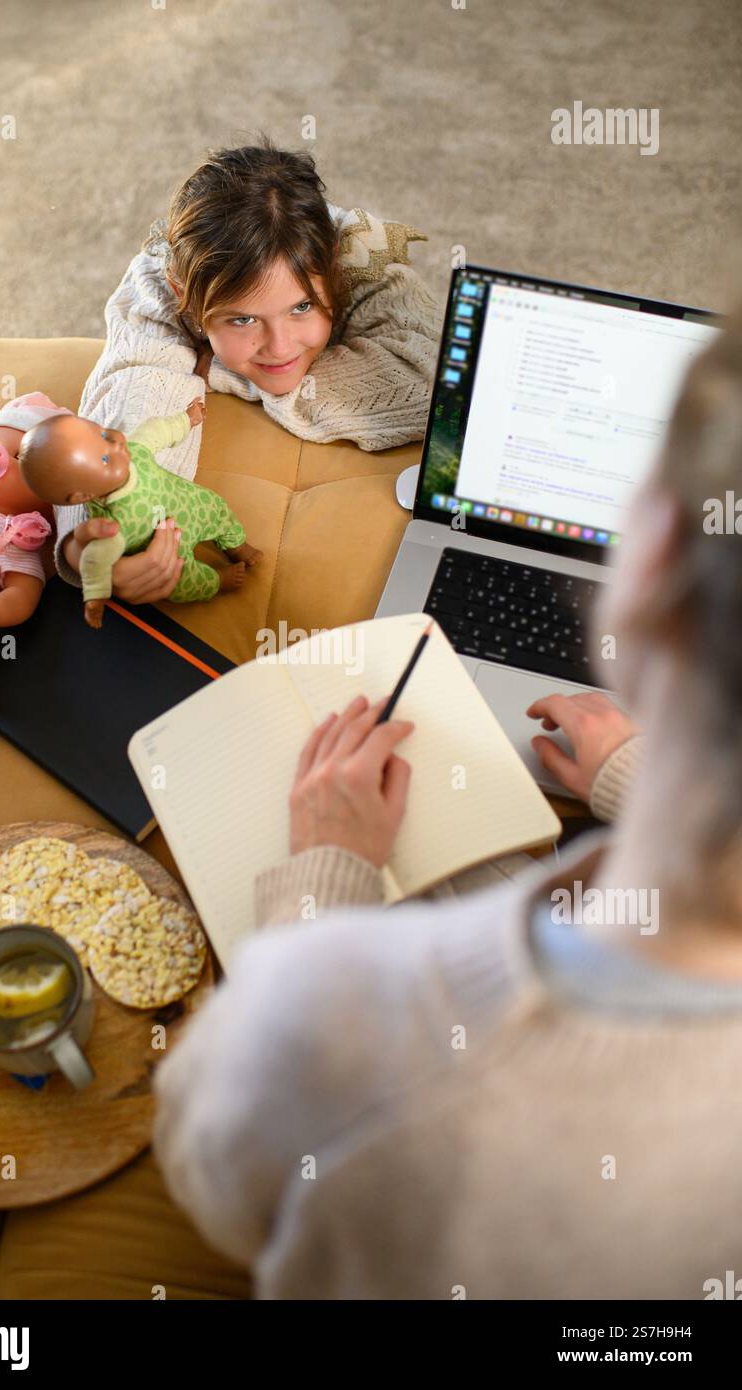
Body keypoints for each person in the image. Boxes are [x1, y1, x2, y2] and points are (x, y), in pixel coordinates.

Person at [151, 308, 742, 1299]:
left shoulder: (330, 1018)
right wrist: (628, 776)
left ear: (637, 590)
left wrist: (322, 881)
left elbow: (209, 1174)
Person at [55, 133, 444, 606]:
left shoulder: (367, 266)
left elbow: (428, 388)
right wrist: (91, 551)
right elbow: (127, 405)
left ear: (333, 277)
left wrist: (215, 368)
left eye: (303, 307)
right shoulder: (159, 286)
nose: (280, 347)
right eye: (243, 319)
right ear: (187, 300)